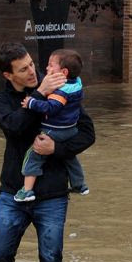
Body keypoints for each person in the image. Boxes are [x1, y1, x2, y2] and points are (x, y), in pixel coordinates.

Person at [0, 42, 95, 262]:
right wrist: (38, 95)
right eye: (23, 69)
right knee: (0, 261)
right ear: (8, 75)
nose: (32, 71)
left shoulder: (62, 91)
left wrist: (56, 148)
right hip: (12, 193)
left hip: (53, 195)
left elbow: (87, 134)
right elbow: (15, 127)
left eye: (32, 64)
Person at [15, 49, 89, 202]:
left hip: (54, 130)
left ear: (63, 72)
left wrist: (32, 102)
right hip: (71, 130)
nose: (46, 68)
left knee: (33, 155)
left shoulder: (60, 92)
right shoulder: (76, 84)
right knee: (70, 158)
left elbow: (51, 108)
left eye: (50, 65)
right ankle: (79, 185)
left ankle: (27, 190)